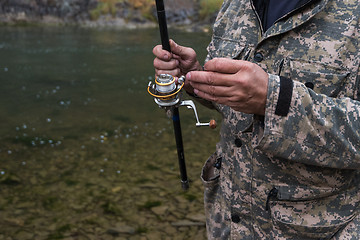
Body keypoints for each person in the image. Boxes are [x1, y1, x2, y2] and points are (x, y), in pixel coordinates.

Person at [152, 0, 360, 239]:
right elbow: (236, 104)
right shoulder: (234, 5)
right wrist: (195, 77)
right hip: (226, 224)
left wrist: (276, 100)